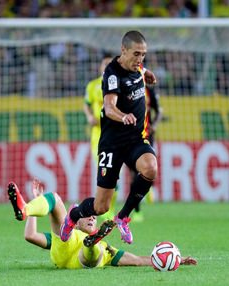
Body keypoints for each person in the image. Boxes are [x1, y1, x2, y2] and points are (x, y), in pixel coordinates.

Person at [61, 30, 158, 245]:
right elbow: (109, 107)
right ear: (123, 50)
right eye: (136, 54)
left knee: (151, 167)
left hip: (135, 139)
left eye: (143, 54)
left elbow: (141, 67)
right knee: (101, 206)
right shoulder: (112, 74)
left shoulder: (138, 66)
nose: (140, 58)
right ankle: (73, 216)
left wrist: (147, 71)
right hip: (112, 144)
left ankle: (123, 217)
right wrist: (123, 117)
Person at [8, 179, 197, 269]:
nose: (92, 217)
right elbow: (30, 236)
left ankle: (91, 242)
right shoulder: (71, 230)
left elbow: (138, 260)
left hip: (81, 258)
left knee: (96, 250)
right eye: (87, 216)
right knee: (55, 199)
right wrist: (34, 208)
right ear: (77, 219)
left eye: (93, 216)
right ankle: (25, 209)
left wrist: (176, 261)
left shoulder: (107, 248)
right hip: (66, 243)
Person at [83, 56, 116, 220]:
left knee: (115, 173)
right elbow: (86, 104)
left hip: (116, 135)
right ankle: (106, 208)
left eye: (111, 64)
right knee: (104, 171)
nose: (107, 66)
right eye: (105, 63)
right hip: (99, 137)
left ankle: (110, 206)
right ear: (100, 67)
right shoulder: (93, 86)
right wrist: (89, 116)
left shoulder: (119, 84)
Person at [131, 85, 163, 222]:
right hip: (131, 136)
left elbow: (159, 111)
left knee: (149, 167)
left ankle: (148, 187)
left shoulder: (149, 90)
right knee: (133, 173)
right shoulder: (127, 87)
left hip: (147, 136)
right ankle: (137, 210)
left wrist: (154, 125)